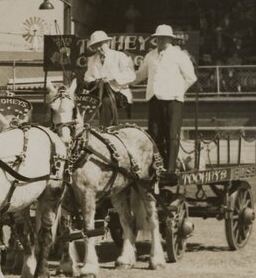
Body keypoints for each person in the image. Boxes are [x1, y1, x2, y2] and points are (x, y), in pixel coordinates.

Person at [135, 25, 197, 182]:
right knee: (155, 134)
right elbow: (139, 76)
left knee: (172, 134)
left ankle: (170, 170)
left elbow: (191, 77)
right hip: (154, 99)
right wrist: (119, 80)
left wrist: (178, 92)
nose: (161, 40)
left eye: (164, 38)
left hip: (173, 100)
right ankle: (158, 167)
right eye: (158, 38)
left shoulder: (179, 55)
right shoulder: (150, 56)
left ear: (170, 39)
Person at [82, 30, 136, 126]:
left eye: (100, 44)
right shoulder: (92, 60)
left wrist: (113, 78)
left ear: (107, 43)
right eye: (95, 46)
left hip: (119, 92)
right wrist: (96, 82)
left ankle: (105, 129)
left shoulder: (119, 56)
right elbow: (88, 77)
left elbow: (131, 75)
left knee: (106, 101)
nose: (98, 48)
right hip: (99, 93)